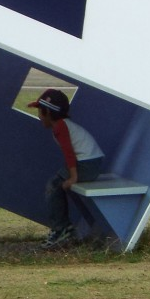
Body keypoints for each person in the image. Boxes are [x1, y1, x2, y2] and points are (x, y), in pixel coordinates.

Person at [28, 88, 104, 249]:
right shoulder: (62, 125)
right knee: (55, 185)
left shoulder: (60, 128)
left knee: (53, 186)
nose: (39, 116)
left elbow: (69, 153)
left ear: (48, 112)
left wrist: (73, 178)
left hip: (87, 164)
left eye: (40, 112)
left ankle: (61, 229)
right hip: (90, 162)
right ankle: (63, 227)